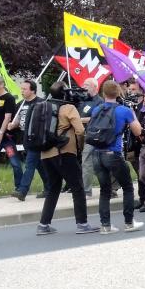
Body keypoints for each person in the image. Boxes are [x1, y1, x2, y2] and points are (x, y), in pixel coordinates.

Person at [85, 79, 145, 235]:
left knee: (104, 190)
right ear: (118, 92)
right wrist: (132, 114)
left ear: (103, 93)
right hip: (113, 153)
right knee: (127, 187)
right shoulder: (124, 110)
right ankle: (129, 222)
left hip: (96, 153)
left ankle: (105, 225)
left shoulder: (97, 109)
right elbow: (138, 132)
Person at [36, 82, 97, 235]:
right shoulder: (69, 108)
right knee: (78, 187)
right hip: (64, 152)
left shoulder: (44, 106)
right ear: (65, 93)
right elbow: (80, 131)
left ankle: (43, 224)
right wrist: (80, 148)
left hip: (45, 154)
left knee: (53, 188)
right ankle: (82, 224)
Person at [6, 79, 50, 201]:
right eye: (21, 89)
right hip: (25, 138)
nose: (22, 91)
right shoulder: (21, 104)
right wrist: (13, 125)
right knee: (39, 165)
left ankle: (22, 191)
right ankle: (49, 188)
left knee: (30, 164)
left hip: (37, 138)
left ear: (33, 90)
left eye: (24, 89)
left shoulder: (42, 103)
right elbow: (18, 119)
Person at [77, 77, 104, 197]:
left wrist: (80, 120)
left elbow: (97, 118)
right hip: (82, 134)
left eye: (86, 85)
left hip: (94, 135)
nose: (83, 87)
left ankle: (86, 191)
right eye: (83, 84)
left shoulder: (100, 102)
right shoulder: (83, 101)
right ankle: (111, 186)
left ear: (95, 87)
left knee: (87, 161)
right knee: (97, 163)